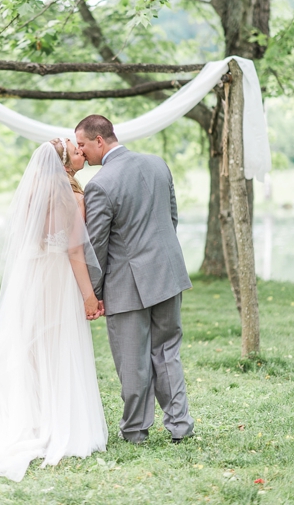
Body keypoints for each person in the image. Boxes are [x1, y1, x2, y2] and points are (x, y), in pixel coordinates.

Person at [0, 140, 107, 482]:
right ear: (64, 164)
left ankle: (33, 420)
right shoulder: (73, 198)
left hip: (31, 278)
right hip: (58, 280)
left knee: (32, 350)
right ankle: (57, 424)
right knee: (58, 349)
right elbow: (75, 254)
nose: (81, 152)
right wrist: (89, 297)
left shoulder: (32, 197)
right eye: (75, 150)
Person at [75, 114, 194, 445]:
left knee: (133, 361)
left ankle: (135, 431)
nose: (81, 153)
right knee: (168, 352)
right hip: (169, 273)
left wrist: (94, 293)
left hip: (128, 286)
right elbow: (171, 219)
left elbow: (96, 246)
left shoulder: (100, 184)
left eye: (83, 145)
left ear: (100, 140)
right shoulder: (158, 164)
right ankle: (180, 426)